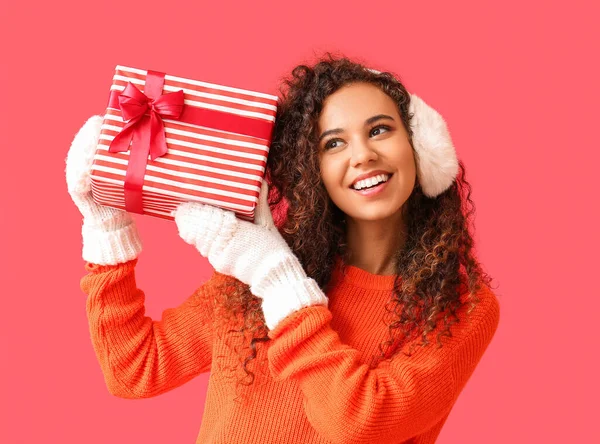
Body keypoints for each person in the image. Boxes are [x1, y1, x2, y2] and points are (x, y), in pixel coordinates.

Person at [66, 53, 500, 444]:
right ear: (313, 172)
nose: (362, 155)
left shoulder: (462, 307)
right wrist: (105, 224)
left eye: (380, 130)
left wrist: (278, 280)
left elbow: (359, 421)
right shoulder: (253, 272)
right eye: (334, 143)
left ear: (421, 148)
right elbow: (135, 368)